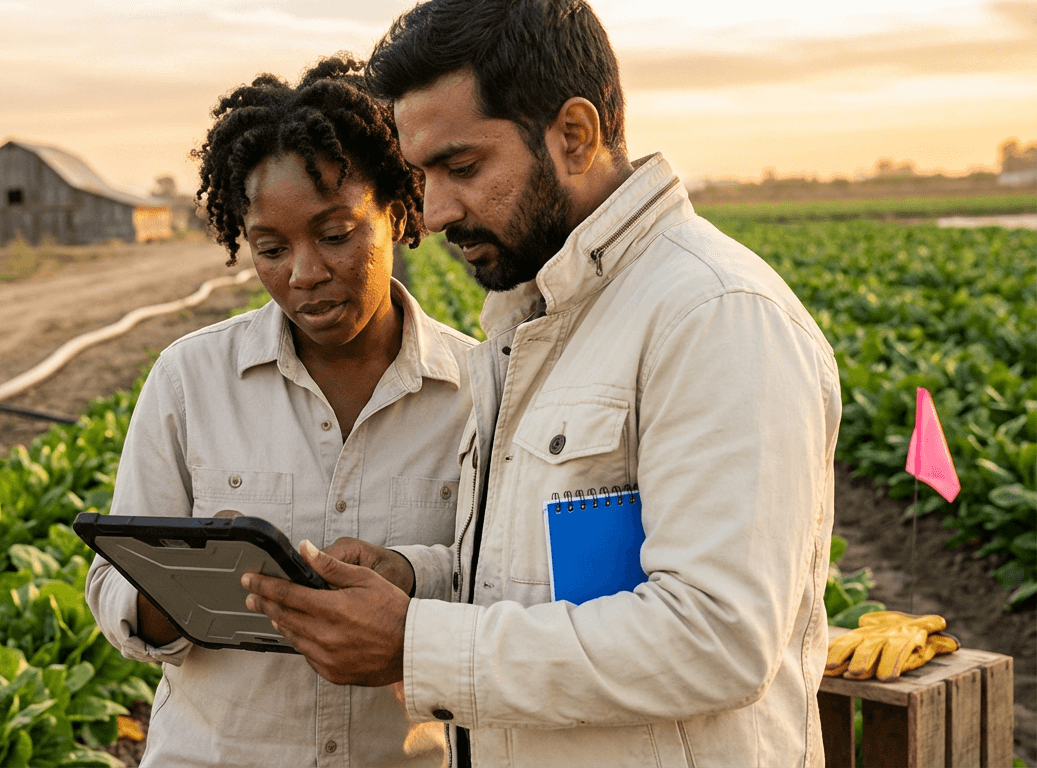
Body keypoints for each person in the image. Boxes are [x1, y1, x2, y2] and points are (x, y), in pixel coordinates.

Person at [241, 3, 843, 766]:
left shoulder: (714, 316)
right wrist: (418, 580)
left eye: (462, 168)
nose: (435, 211)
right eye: (422, 176)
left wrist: (416, 644)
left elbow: (717, 638)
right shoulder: (538, 315)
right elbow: (550, 579)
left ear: (575, 135)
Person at [83, 55, 476, 767]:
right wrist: (183, 588)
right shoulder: (190, 380)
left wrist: (411, 576)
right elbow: (112, 588)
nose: (304, 273)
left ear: (398, 211)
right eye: (270, 248)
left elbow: (513, 587)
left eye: (336, 235)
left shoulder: (478, 389)